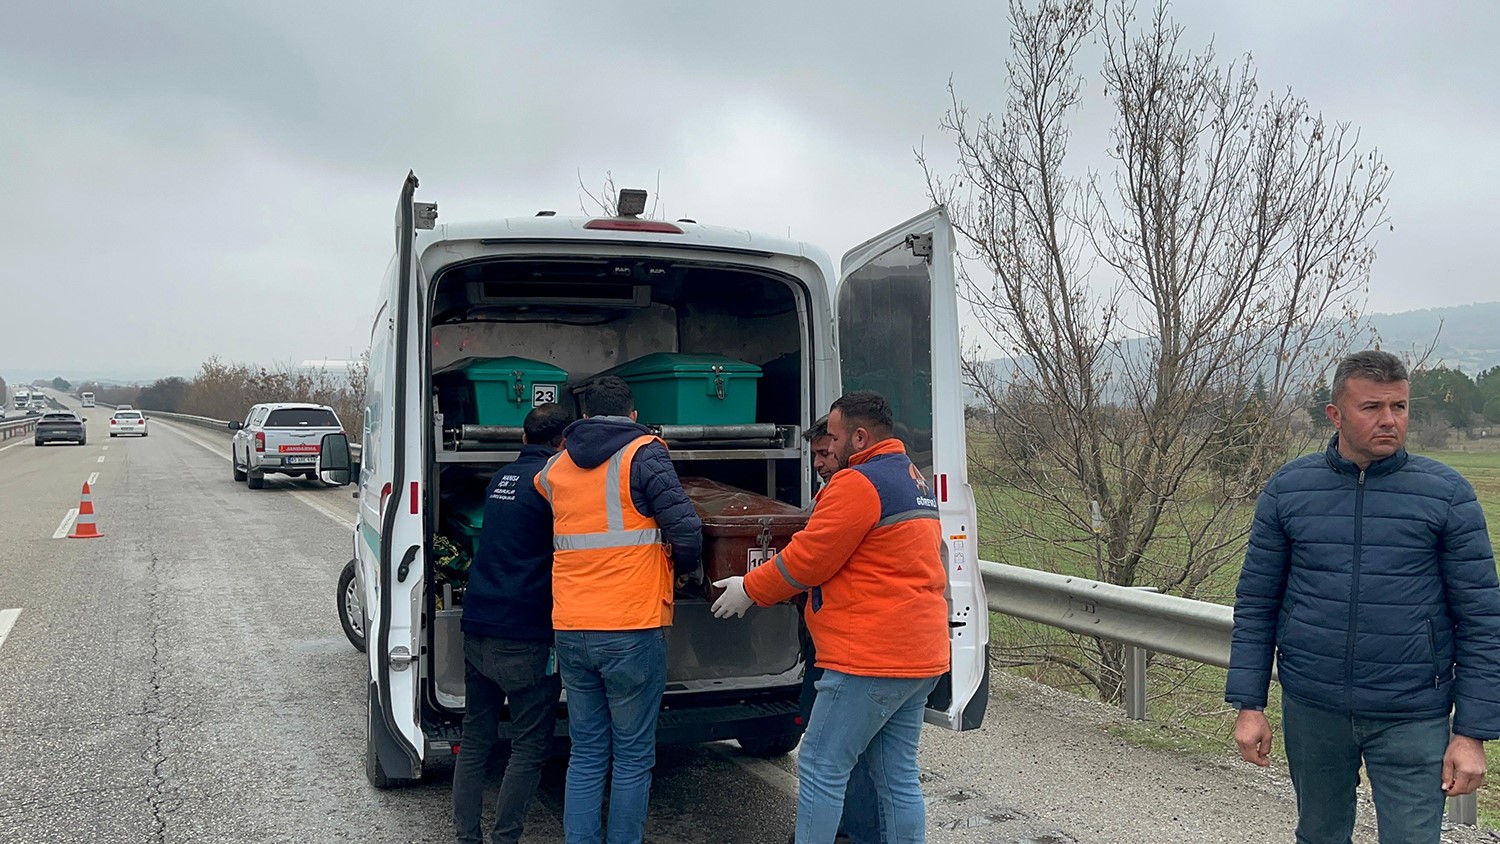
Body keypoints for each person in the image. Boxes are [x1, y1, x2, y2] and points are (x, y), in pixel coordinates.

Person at [1226, 350, 1500, 844]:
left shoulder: (1447, 495)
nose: (1389, 420)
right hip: (1314, 707)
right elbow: (1257, 604)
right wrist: (1249, 704)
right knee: (1320, 836)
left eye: (1399, 406)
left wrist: (1472, 733)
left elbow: (1482, 620)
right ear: (1335, 414)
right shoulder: (1289, 490)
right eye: (1372, 407)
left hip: (1414, 712)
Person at [713, 391, 948, 843]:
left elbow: (808, 560)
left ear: (859, 437)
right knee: (897, 776)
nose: (828, 449)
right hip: (921, 654)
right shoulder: (913, 478)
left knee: (821, 766)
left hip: (870, 658)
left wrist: (750, 589)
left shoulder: (858, 483)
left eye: (834, 439)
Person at [534, 376, 703, 844]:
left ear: (585, 416)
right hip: (631, 625)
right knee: (631, 756)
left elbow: (543, 489)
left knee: (587, 752)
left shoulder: (556, 466)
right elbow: (687, 530)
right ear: (633, 415)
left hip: (572, 628)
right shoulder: (643, 453)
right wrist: (684, 569)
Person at [453, 403, 572, 844]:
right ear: (563, 443)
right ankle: (505, 839)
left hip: (479, 625)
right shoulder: (555, 484)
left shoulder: (500, 479)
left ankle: (467, 837)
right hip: (526, 634)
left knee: (475, 742)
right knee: (527, 748)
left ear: (523, 439)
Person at [794, 416, 881, 844]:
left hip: (849, 646)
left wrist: (755, 589)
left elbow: (811, 562)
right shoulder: (831, 493)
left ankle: (850, 832)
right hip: (829, 639)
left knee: (835, 754)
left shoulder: (854, 494)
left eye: (826, 453)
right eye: (814, 456)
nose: (819, 464)